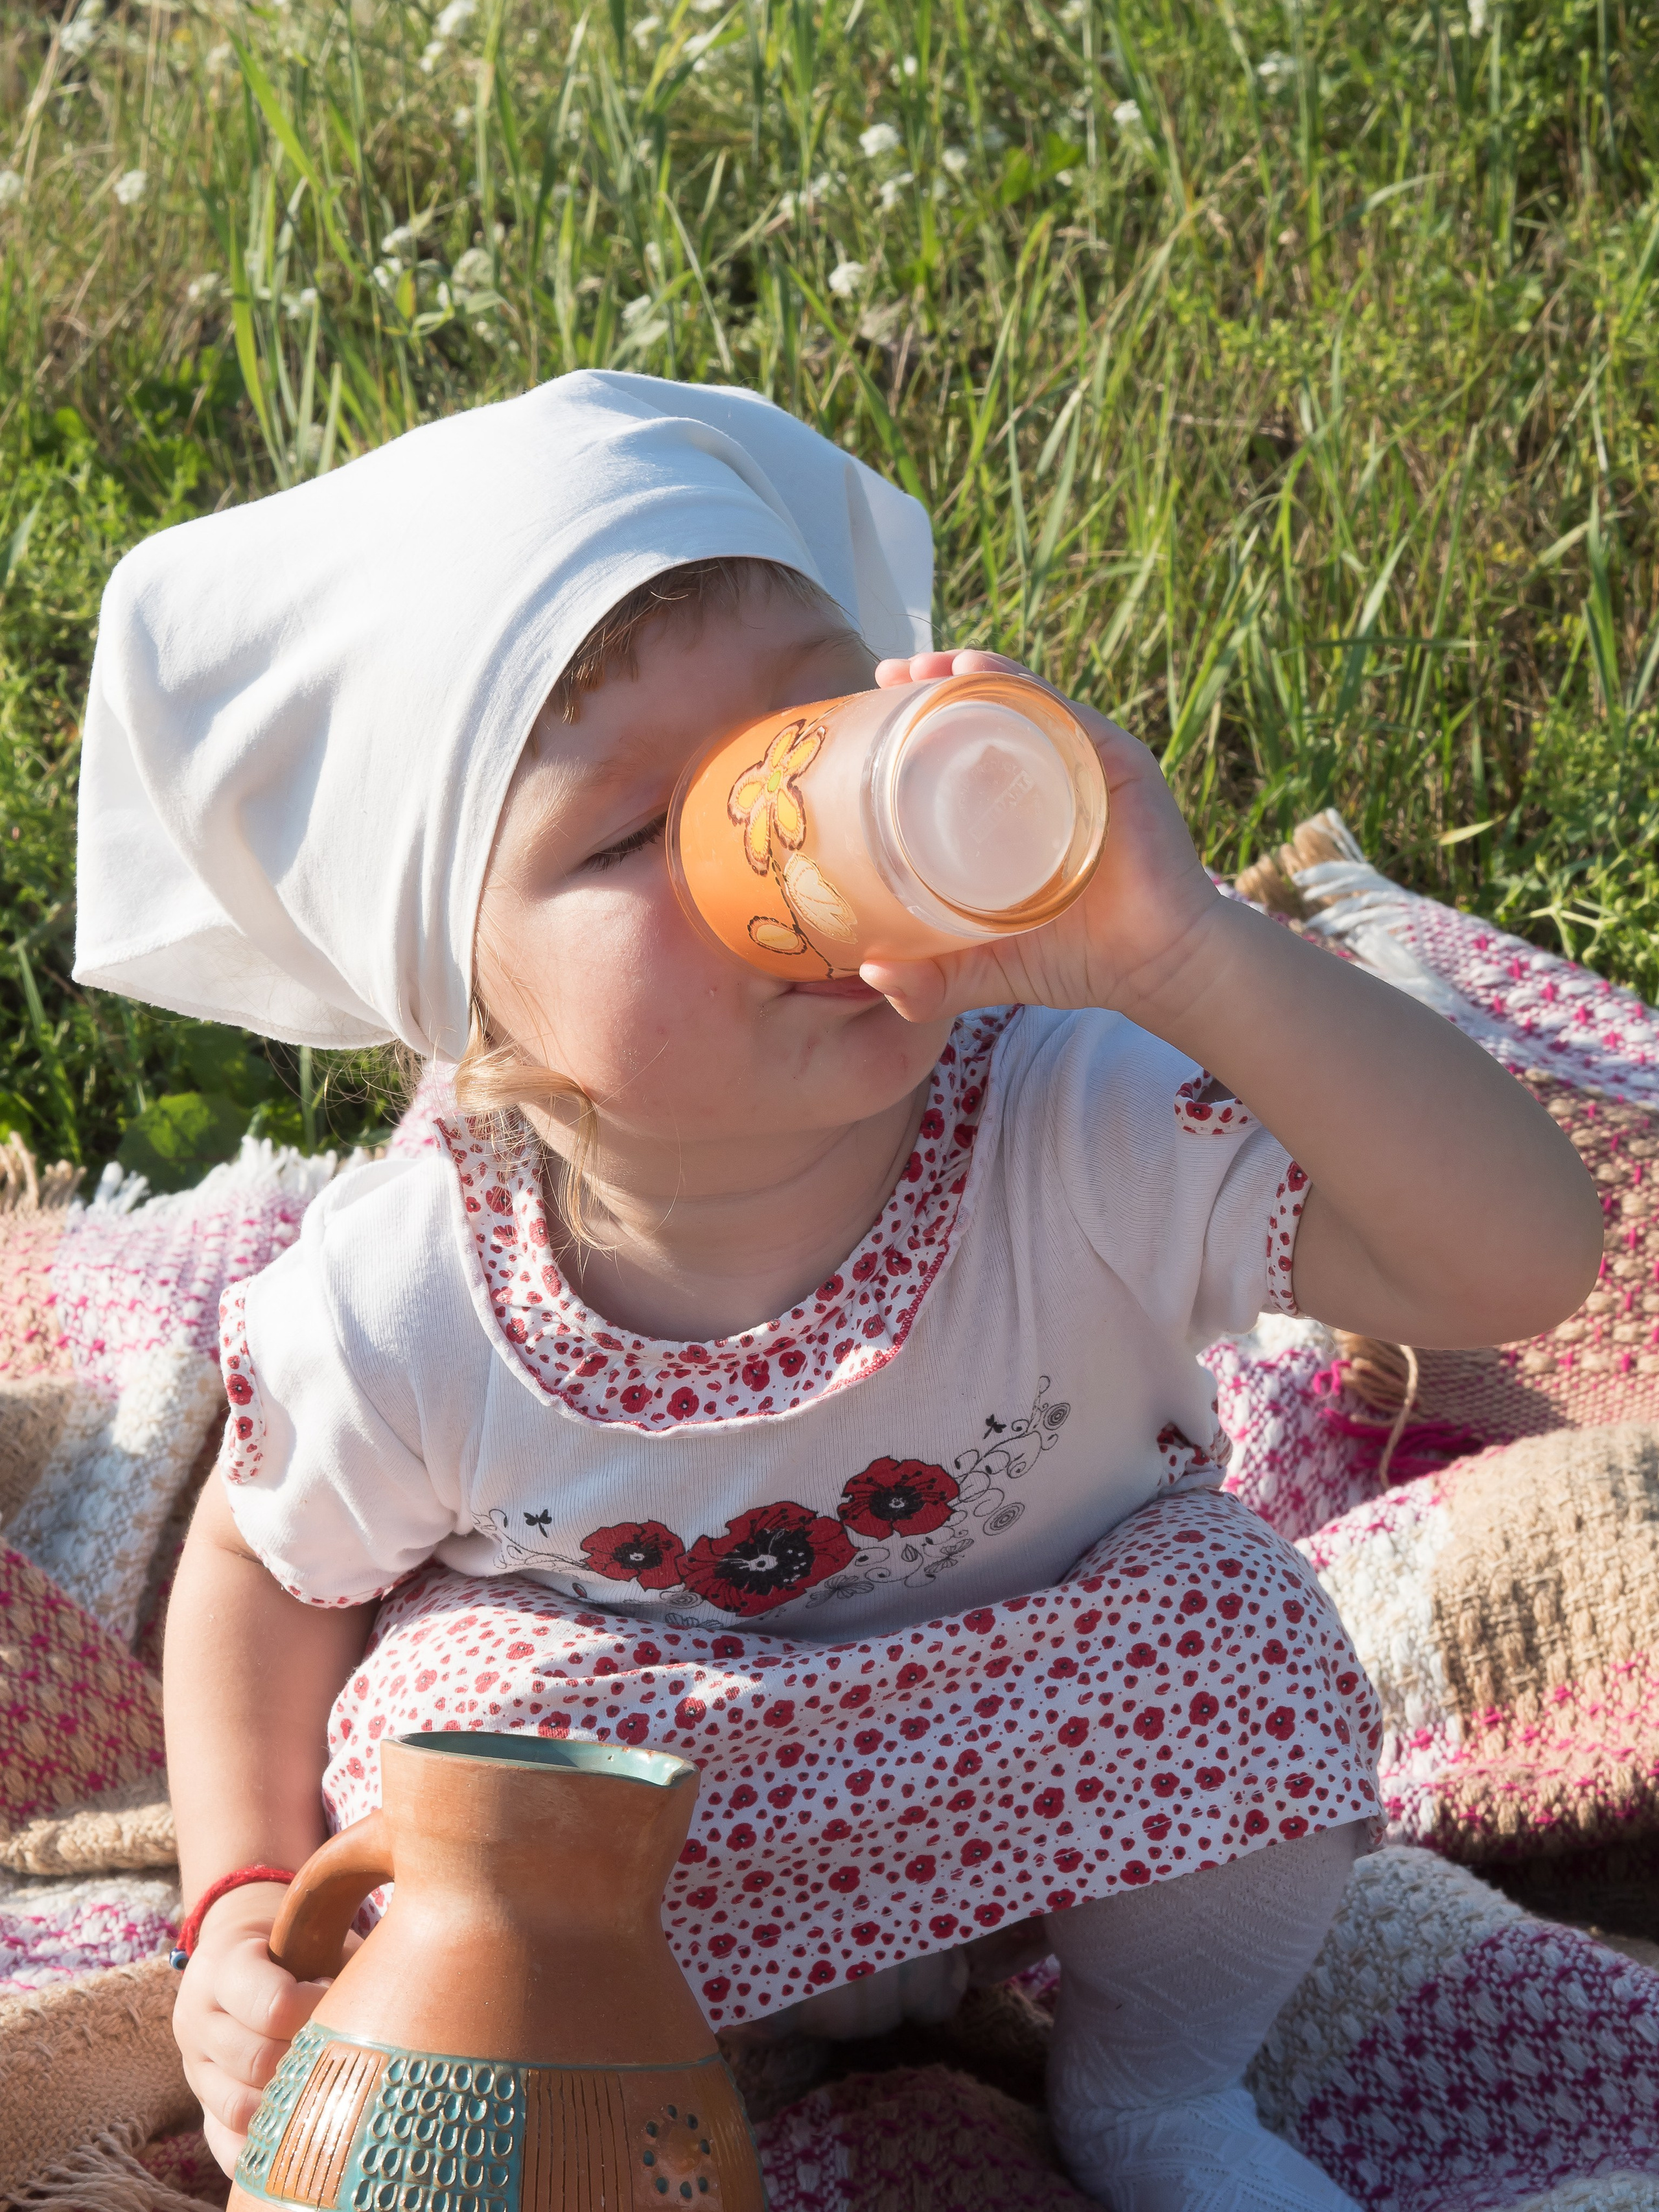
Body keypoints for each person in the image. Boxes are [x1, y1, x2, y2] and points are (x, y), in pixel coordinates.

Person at [75, 371, 1601, 2212]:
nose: (774, 858)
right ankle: (609, 2096)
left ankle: (1159, 2096)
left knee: (1235, 1615)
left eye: (807, 730)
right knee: (454, 1738)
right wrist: (240, 1905)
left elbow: (1521, 1264)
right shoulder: (416, 1293)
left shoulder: (1069, 1104)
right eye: (638, 835)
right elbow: (260, 1565)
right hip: (636, 1870)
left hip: (1035, 1794)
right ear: (474, 1017)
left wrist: (1185, 951)